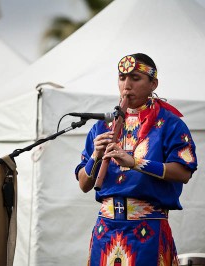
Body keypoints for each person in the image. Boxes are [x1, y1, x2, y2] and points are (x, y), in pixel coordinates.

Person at [75, 53, 197, 266]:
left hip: (147, 229)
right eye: (122, 78)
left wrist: (135, 163)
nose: (127, 85)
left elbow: (184, 172)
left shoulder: (170, 124)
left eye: (135, 78)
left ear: (153, 83)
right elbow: (84, 185)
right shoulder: (102, 127)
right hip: (106, 230)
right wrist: (95, 155)